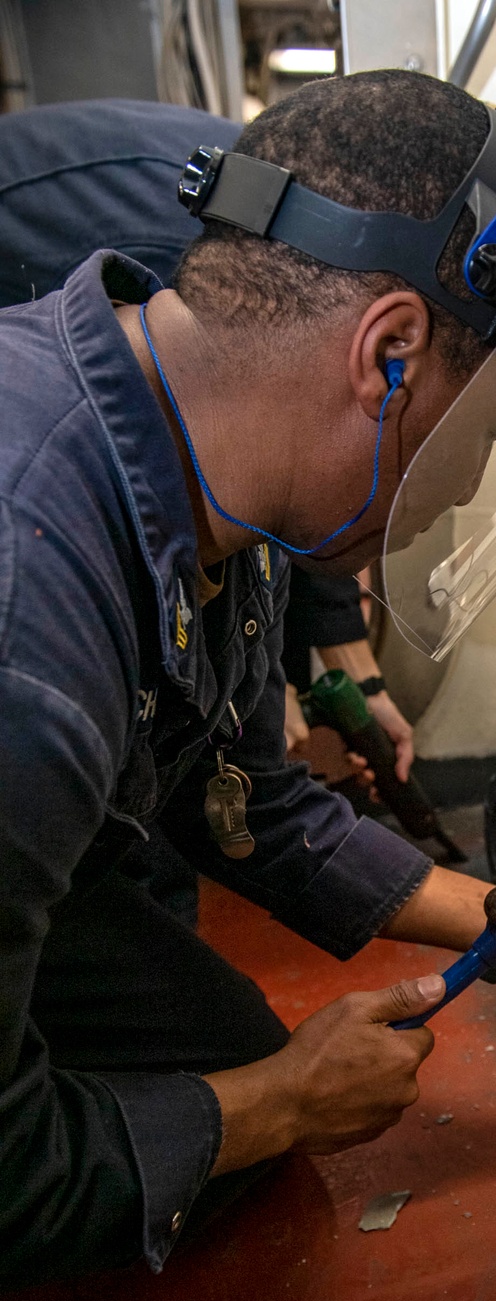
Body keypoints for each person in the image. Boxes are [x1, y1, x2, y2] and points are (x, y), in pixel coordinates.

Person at [0, 69, 496, 1288]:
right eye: (493, 432)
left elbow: (242, 796)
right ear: (391, 351)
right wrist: (281, 1103)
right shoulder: (27, 648)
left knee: (207, 1054)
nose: (466, 485)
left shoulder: (219, 479)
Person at [0, 97, 412, 787]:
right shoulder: (219, 253)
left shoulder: (317, 236)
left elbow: (286, 456)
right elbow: (236, 462)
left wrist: (354, 676)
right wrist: (260, 680)